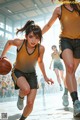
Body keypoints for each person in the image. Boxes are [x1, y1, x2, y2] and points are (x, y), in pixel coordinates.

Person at [0, 20, 54, 120]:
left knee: (30, 103)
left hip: (32, 74)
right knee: (26, 89)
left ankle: (22, 119)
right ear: (26, 36)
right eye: (31, 37)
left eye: (37, 38)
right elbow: (9, 42)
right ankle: (21, 96)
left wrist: (45, 77)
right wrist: (2, 56)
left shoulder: (41, 48)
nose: (33, 40)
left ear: (40, 39)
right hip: (18, 71)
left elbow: (40, 62)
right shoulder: (20, 43)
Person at [42, 0, 80, 117]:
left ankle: (65, 91)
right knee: (70, 67)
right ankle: (76, 102)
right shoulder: (59, 10)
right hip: (65, 41)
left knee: (71, 73)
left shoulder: (78, 6)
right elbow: (48, 25)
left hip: (79, 42)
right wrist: (38, 35)